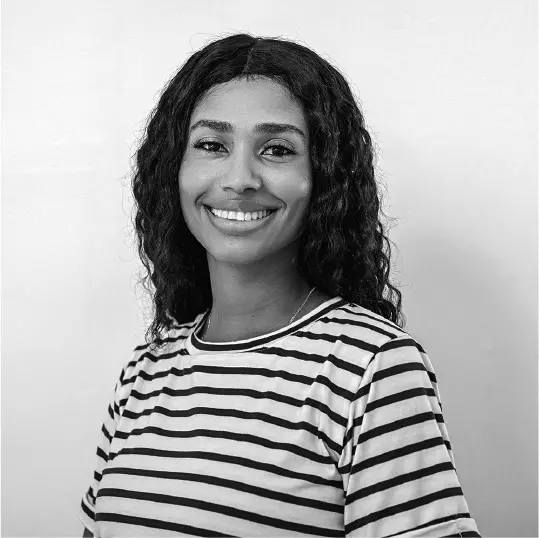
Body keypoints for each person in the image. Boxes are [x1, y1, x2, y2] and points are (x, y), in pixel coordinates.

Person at [80, 33, 481, 537]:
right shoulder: (144, 372)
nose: (240, 178)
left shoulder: (370, 368)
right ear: (173, 169)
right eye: (211, 145)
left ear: (324, 177)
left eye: (276, 149)